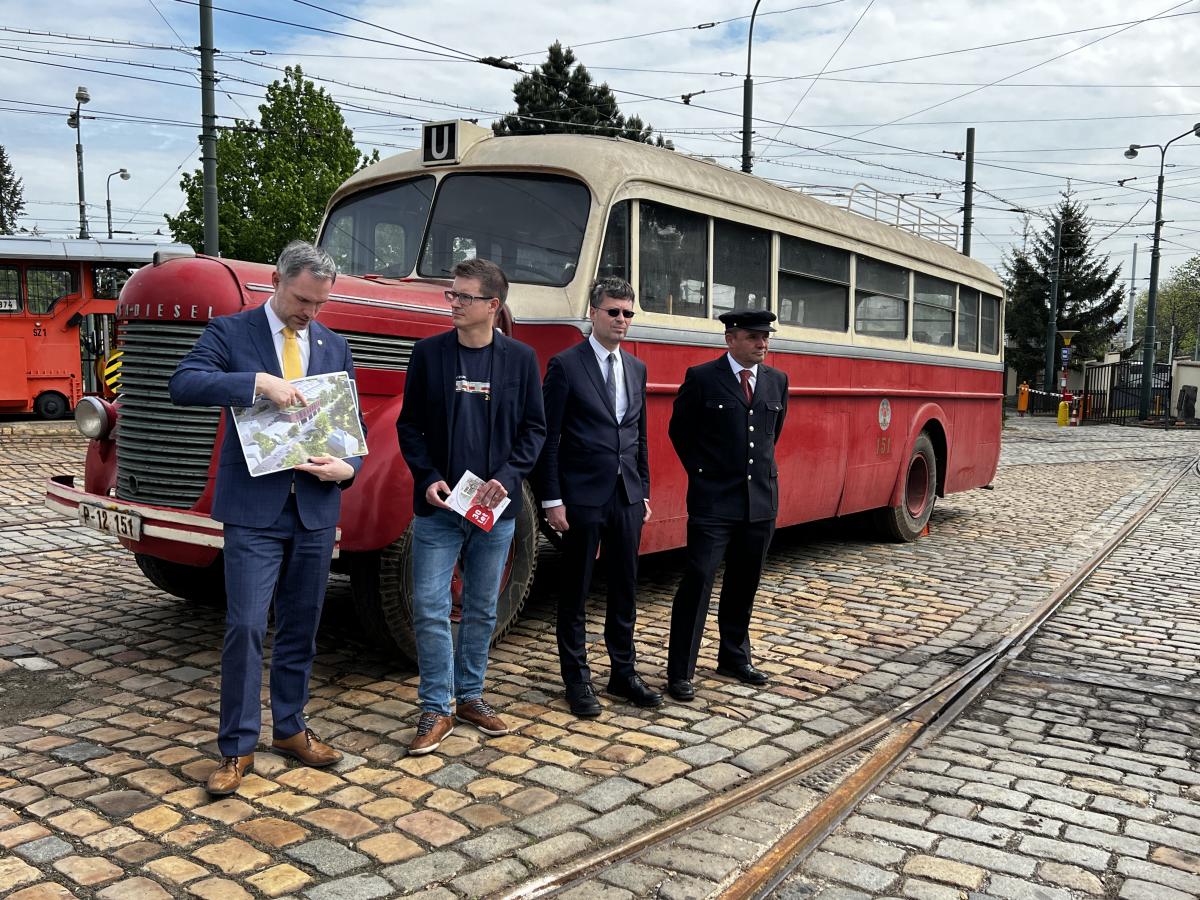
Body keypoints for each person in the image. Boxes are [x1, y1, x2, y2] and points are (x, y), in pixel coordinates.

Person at [169, 241, 363, 795]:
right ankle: (236, 748)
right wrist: (256, 382)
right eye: (303, 299)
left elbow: (352, 426)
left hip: (316, 508)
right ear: (276, 280)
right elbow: (183, 384)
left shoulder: (333, 344)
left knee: (302, 626)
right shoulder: (231, 333)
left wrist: (346, 469)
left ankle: (291, 728)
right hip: (254, 510)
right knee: (247, 626)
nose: (310, 313)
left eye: (320, 304)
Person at [397, 258, 546, 755]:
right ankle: (436, 707)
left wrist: (504, 482)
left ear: (492, 305)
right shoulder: (429, 354)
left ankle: (471, 696)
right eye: (452, 295)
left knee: (481, 609)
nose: (454, 303)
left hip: (494, 512)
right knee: (431, 608)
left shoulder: (521, 360)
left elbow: (534, 431)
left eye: (464, 296)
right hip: (440, 511)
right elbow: (409, 426)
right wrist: (428, 477)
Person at [537, 277, 660, 718]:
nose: (622, 320)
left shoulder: (637, 369)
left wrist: (642, 489)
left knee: (625, 587)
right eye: (614, 311)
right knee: (576, 591)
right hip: (582, 496)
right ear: (593, 313)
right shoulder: (566, 365)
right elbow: (549, 438)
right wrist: (551, 498)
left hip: (626, 495)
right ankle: (577, 679)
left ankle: (623, 673)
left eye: (628, 313)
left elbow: (639, 435)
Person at [665, 308, 788, 702]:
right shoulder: (702, 378)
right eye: (753, 337)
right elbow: (680, 431)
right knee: (698, 580)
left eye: (765, 337)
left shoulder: (776, 381)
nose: (762, 343)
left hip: (759, 501)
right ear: (730, 338)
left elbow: (772, 436)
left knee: (745, 580)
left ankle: (734, 656)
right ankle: (680, 671)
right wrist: (705, 475)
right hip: (714, 501)